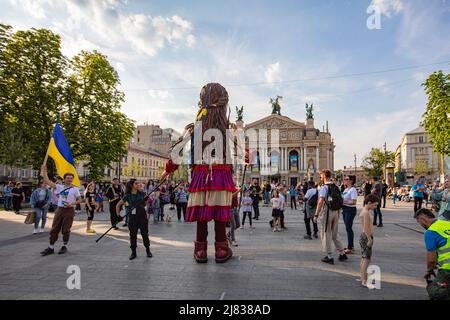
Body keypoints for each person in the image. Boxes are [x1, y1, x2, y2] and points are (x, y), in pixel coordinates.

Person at [160, 83, 236, 264]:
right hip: (221, 175)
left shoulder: (195, 127)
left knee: (202, 215)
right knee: (219, 215)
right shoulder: (228, 127)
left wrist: (168, 170)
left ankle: (201, 250)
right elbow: (243, 153)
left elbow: (177, 151)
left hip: (200, 176)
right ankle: (221, 249)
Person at [40, 166, 82, 256]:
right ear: (64, 179)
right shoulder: (59, 187)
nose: (70, 179)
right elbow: (47, 182)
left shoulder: (75, 189)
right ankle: (50, 247)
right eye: (68, 178)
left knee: (66, 229)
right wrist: (44, 172)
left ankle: (64, 246)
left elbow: (79, 200)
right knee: (55, 228)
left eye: (71, 178)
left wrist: (72, 204)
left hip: (69, 210)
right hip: (60, 210)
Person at [414, 208, 450, 300]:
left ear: (422, 219)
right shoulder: (447, 223)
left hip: (448, 269)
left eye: (419, 222)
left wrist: (429, 270)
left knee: (436, 292)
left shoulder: (431, 232)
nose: (421, 225)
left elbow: (431, 260)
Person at [313, 169, 347, 265]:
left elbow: (320, 201)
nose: (320, 178)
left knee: (326, 233)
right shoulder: (335, 186)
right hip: (336, 211)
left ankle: (329, 256)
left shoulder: (324, 187)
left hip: (327, 211)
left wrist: (316, 214)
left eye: (321, 176)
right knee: (335, 234)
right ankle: (342, 253)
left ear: (324, 176)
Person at [116, 179, 152, 260]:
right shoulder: (127, 195)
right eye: (136, 183)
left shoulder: (142, 193)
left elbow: (145, 205)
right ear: (131, 185)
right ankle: (133, 252)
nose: (139, 184)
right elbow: (118, 205)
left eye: (139, 183)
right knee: (133, 235)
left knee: (145, 234)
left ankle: (148, 250)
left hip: (142, 217)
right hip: (132, 218)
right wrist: (118, 215)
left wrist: (145, 200)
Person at [359, 194, 378, 288]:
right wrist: (370, 239)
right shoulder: (366, 212)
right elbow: (366, 228)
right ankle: (364, 280)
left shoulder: (366, 210)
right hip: (366, 236)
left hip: (365, 236)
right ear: (369, 203)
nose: (376, 207)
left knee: (364, 258)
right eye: (375, 205)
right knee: (366, 259)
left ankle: (362, 277)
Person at [342, 175, 358, 254]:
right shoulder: (346, 189)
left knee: (348, 228)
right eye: (344, 179)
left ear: (351, 181)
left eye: (347, 179)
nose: (345, 180)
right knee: (347, 228)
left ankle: (350, 247)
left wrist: (343, 202)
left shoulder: (353, 189)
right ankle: (350, 245)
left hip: (350, 209)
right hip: (345, 209)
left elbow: (353, 202)